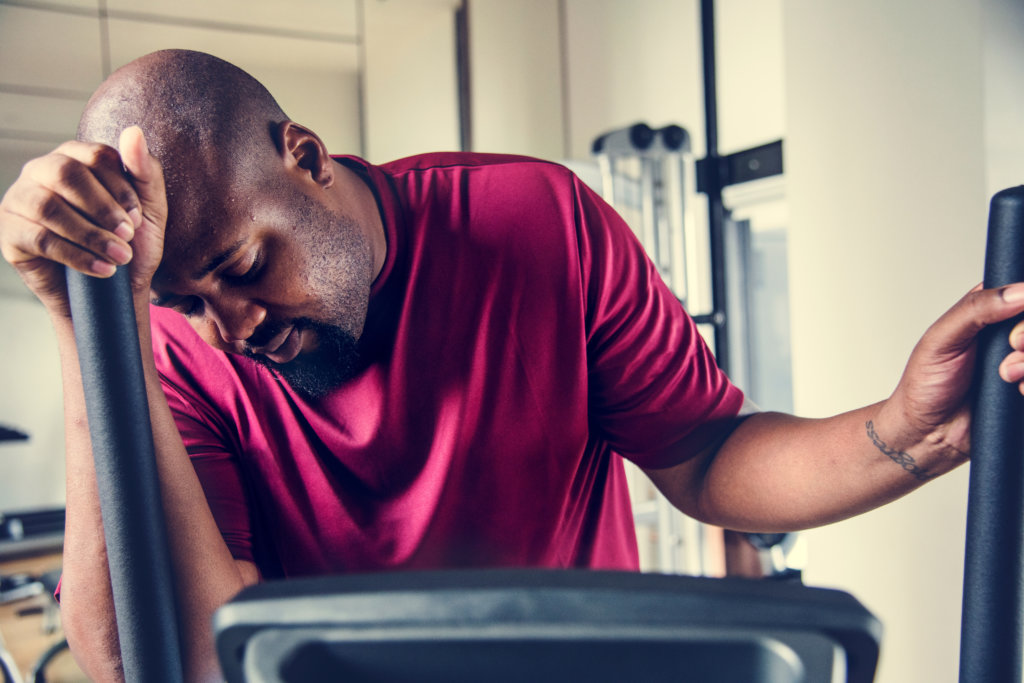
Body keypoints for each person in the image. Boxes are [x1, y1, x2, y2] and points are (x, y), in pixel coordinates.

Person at [2, 48, 1024, 682]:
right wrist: (86, 318)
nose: (230, 326)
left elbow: (705, 453)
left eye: (245, 266)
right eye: (188, 301)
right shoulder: (175, 351)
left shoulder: (534, 222)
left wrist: (914, 430)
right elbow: (164, 660)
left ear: (302, 154)